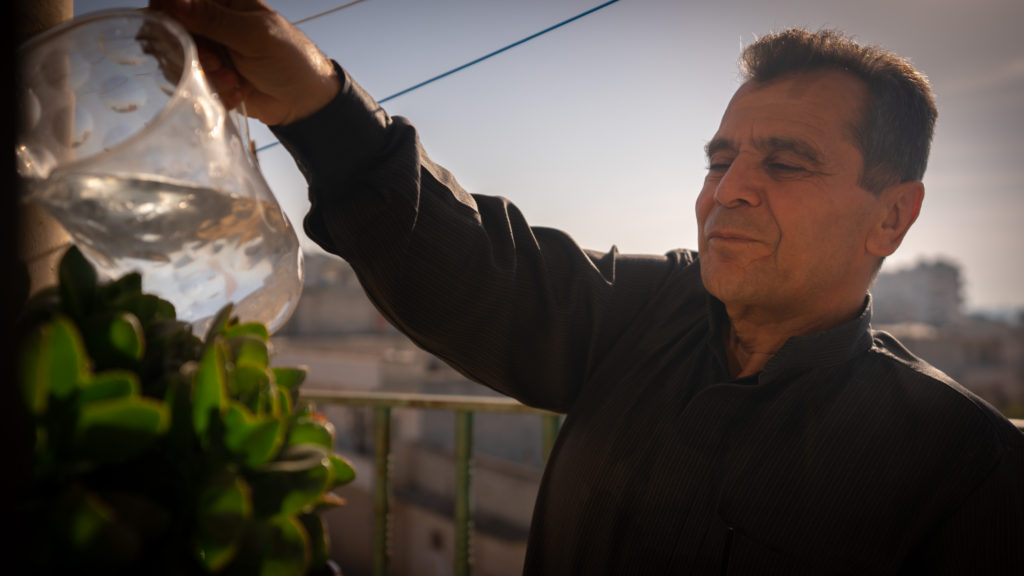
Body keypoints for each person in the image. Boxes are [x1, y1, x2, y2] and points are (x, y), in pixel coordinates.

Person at [153, 1, 1024, 573]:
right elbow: (475, 266)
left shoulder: (966, 468)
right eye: (721, 159)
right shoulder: (641, 317)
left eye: (786, 162)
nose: (731, 189)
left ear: (892, 218)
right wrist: (316, 101)